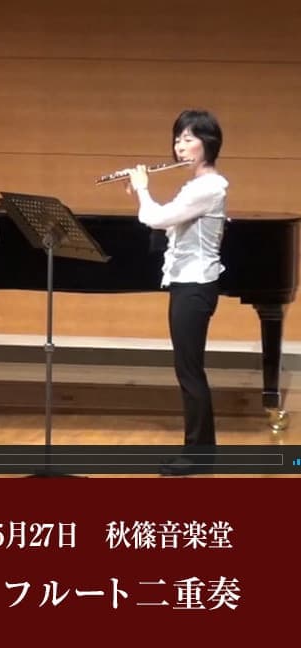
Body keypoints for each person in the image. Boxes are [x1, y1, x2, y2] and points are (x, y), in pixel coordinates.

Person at [125, 109, 228, 476]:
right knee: (188, 369)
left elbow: (156, 218)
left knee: (189, 371)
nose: (180, 146)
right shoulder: (196, 186)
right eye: (177, 139)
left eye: (188, 139)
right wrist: (142, 194)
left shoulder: (208, 187)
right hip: (189, 285)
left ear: (207, 143)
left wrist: (142, 189)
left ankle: (196, 455)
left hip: (196, 286)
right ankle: (200, 453)